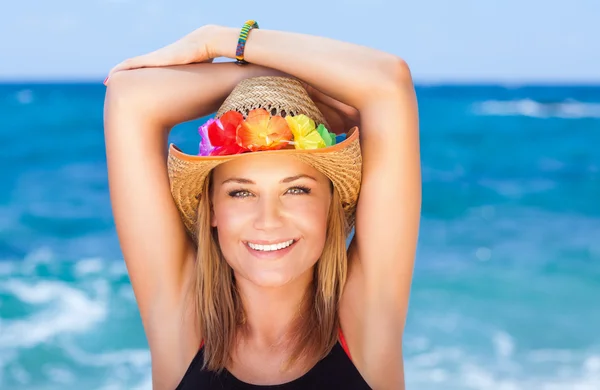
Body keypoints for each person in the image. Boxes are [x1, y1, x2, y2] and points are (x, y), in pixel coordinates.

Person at [103, 22, 420, 390]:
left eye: (296, 190)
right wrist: (279, 80)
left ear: (330, 203)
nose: (268, 220)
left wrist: (219, 41)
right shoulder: (183, 322)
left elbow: (389, 80)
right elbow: (128, 97)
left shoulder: (365, 321)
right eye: (241, 192)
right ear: (212, 209)